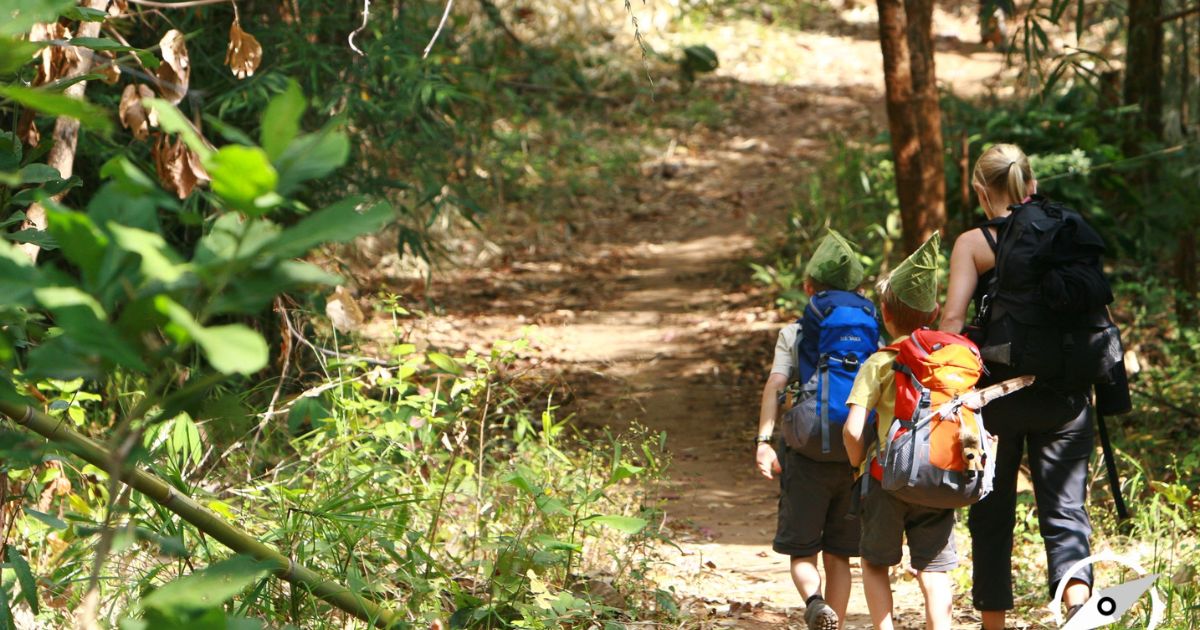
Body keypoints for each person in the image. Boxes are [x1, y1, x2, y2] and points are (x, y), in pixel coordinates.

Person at [940, 143, 1094, 629]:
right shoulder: (1066, 231)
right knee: (1066, 514)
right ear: (1032, 183)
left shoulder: (973, 242)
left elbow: (953, 319)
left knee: (991, 514)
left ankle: (994, 625)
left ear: (980, 190)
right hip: (1065, 394)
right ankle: (1077, 609)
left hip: (995, 399)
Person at [843, 233, 958, 630]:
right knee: (935, 570)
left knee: (875, 563)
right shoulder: (950, 360)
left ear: (884, 312)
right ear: (935, 311)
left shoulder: (880, 362)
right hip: (938, 476)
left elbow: (852, 429)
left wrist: (857, 464)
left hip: (885, 479)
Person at [755, 230, 866, 630]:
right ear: (858, 291)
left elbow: (775, 384)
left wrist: (764, 442)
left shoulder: (794, 333)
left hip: (804, 453)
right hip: (854, 455)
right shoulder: (870, 333)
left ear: (808, 288)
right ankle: (835, 619)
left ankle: (815, 602)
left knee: (802, 551)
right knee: (840, 555)